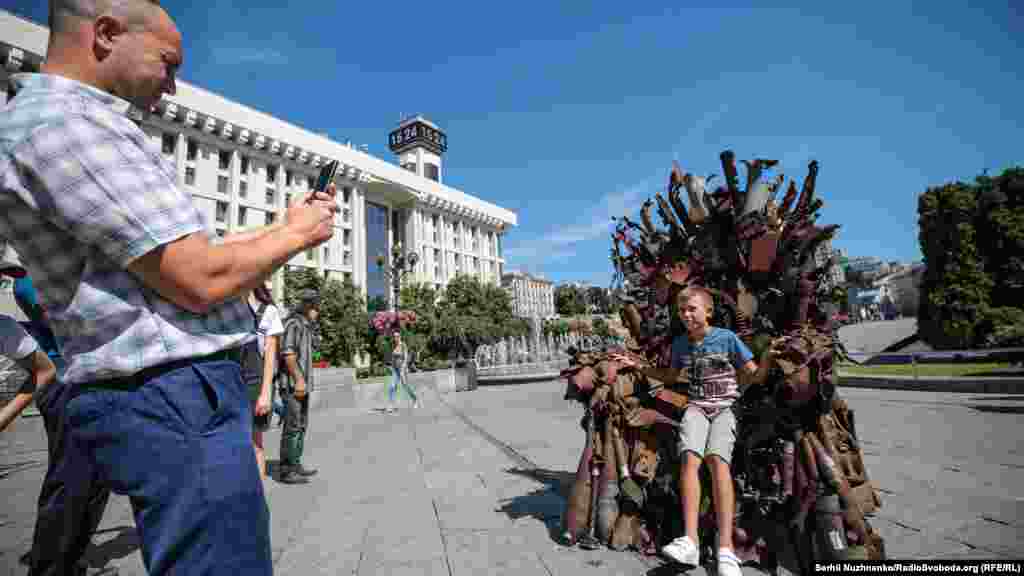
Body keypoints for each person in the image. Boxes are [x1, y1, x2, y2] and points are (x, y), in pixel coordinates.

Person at [0, 2, 338, 572]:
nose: (174, 85)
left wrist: (283, 226)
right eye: (168, 63)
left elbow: (189, 256)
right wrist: (297, 236)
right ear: (106, 34)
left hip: (174, 394)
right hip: (171, 394)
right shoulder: (63, 125)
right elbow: (199, 278)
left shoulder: (74, 123)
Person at [614, 286, 775, 576]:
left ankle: (725, 549)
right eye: (682, 311)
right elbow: (669, 376)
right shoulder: (680, 344)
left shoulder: (727, 338)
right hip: (696, 408)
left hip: (725, 409)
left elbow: (755, 375)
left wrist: (768, 358)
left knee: (717, 462)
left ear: (708, 312)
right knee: (690, 459)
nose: (686, 315)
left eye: (692, 309)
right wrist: (637, 365)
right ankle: (690, 541)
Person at [7, 271, 114, 576]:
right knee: (70, 482)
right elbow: (73, 323)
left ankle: (71, 563)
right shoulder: (30, 278)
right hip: (66, 383)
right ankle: (48, 568)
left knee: (96, 482)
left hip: (92, 381)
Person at [239, 283, 284, 482]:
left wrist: (265, 394)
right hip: (230, 380)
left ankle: (256, 494)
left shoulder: (268, 311)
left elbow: (270, 357)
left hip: (254, 383)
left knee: (255, 442)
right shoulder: (227, 309)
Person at [277, 289, 321, 484]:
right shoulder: (293, 324)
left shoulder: (306, 326)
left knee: (301, 425)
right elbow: (288, 353)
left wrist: (314, 326)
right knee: (293, 426)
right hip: (293, 385)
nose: (316, 309)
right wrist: (299, 379)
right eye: (314, 305)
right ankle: (287, 470)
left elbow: (315, 347)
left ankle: (295, 464)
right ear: (305, 305)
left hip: (302, 385)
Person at [385, 331, 418, 412]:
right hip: (395, 370)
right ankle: (391, 405)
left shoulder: (403, 345)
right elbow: (393, 358)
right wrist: (391, 366)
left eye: (397, 336)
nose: (395, 338)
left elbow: (406, 358)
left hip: (402, 369)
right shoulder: (393, 346)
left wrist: (403, 368)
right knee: (392, 386)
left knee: (405, 386)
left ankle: (415, 399)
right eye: (394, 336)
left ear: (400, 337)